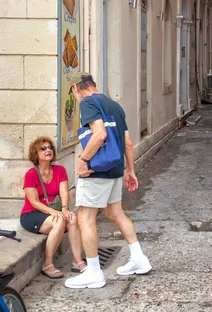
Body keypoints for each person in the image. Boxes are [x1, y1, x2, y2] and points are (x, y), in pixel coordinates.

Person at [64, 71, 151, 289]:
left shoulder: (87, 103)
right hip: (115, 168)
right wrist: (130, 170)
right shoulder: (114, 106)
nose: (74, 96)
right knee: (115, 212)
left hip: (97, 170)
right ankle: (139, 258)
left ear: (77, 87)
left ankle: (93, 272)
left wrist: (83, 160)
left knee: (85, 218)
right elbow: (127, 142)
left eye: (73, 91)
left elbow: (100, 134)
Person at [20, 136, 86, 279]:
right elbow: (34, 201)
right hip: (32, 214)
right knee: (59, 221)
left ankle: (77, 261)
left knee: (72, 219)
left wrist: (64, 208)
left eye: (50, 147)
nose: (48, 150)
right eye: (43, 148)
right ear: (35, 154)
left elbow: (64, 192)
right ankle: (47, 264)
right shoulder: (31, 174)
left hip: (53, 212)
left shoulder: (59, 170)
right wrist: (54, 212)